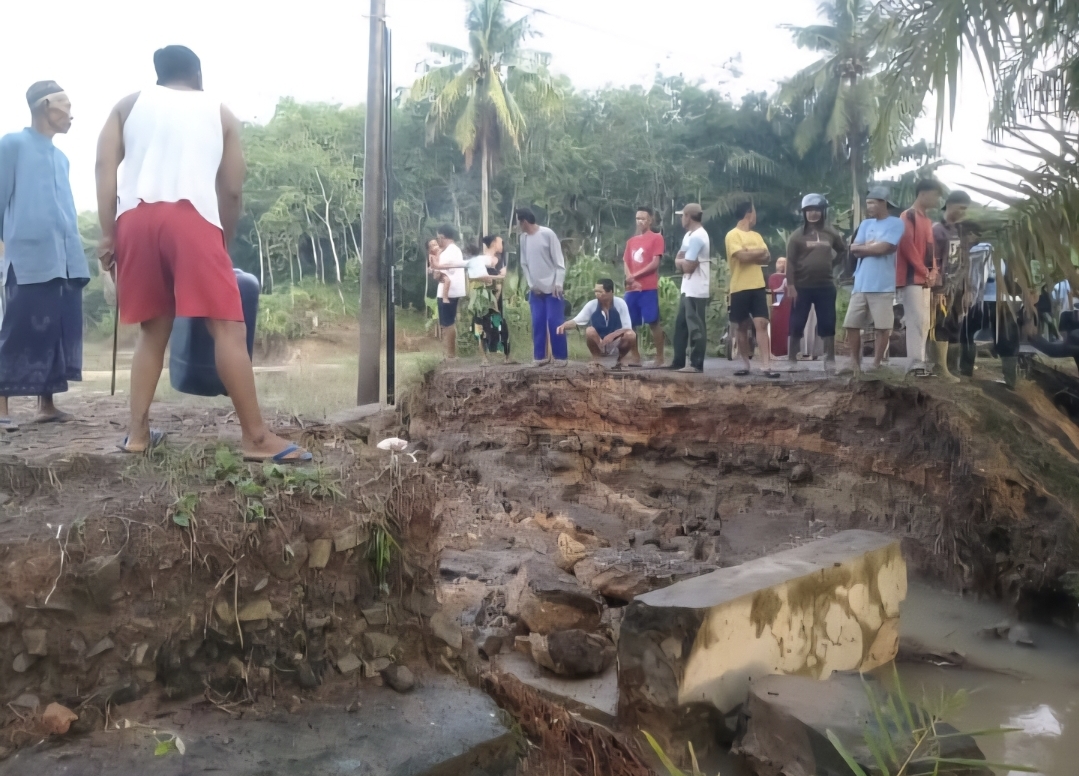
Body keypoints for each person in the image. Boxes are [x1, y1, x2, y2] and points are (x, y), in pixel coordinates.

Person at [96, 45, 310, 461]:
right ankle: (256, 438)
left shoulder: (126, 106)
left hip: (135, 219)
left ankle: (137, 435)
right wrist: (222, 241)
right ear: (196, 73)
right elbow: (231, 189)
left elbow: (105, 168)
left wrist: (110, 234)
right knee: (227, 329)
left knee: (153, 331)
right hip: (192, 218)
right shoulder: (219, 111)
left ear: (158, 75)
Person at [0, 82, 90, 431]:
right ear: (46, 104)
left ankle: (46, 405)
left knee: (55, 329)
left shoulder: (61, 157)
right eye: (66, 105)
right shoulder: (12, 145)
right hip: (27, 257)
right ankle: (2, 405)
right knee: (18, 329)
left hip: (64, 257)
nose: (71, 113)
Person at [842, 187, 905, 374]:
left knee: (882, 327)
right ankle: (855, 363)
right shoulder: (865, 224)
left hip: (882, 284)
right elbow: (853, 248)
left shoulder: (896, 223)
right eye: (868, 203)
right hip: (860, 282)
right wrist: (872, 247)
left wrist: (866, 247)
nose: (869, 206)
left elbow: (887, 247)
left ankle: (877, 364)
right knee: (851, 324)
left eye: (872, 203)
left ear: (883, 203)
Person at [785, 193, 847, 373]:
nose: (813, 214)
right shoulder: (796, 236)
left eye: (816, 210)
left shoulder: (831, 232)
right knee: (797, 322)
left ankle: (830, 359)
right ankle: (792, 360)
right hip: (801, 286)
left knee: (828, 322)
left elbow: (842, 251)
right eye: (809, 211)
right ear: (804, 213)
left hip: (825, 285)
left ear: (823, 212)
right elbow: (790, 261)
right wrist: (790, 285)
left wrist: (831, 264)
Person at [725, 201, 778, 378]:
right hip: (739, 286)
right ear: (749, 214)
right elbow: (741, 256)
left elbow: (767, 256)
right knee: (742, 326)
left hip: (757, 286)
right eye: (754, 212)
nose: (756, 215)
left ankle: (766, 365)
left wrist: (750, 252)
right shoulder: (732, 235)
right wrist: (756, 253)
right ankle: (745, 364)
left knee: (761, 323)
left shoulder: (757, 236)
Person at [896, 179, 942, 376]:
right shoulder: (908, 216)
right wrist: (925, 271)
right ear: (923, 193)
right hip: (910, 277)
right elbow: (907, 247)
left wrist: (934, 272)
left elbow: (931, 251)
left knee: (925, 321)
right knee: (915, 320)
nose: (936, 200)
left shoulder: (927, 220)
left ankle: (919, 362)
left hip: (924, 278)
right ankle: (915, 363)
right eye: (935, 195)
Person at [930, 189, 975, 382]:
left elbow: (965, 262)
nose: (963, 212)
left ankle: (953, 368)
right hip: (943, 286)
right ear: (949, 205)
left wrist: (967, 289)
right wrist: (937, 288)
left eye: (966, 209)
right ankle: (940, 367)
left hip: (958, 286)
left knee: (956, 325)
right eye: (961, 208)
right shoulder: (937, 230)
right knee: (940, 324)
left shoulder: (961, 231)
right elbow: (933, 260)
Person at [517, 208, 567, 366]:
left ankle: (560, 357)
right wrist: (532, 285)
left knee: (555, 321)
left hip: (553, 287)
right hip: (536, 289)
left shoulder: (547, 234)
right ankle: (540, 357)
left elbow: (559, 262)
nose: (518, 226)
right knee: (537, 322)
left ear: (524, 221)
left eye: (518, 222)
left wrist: (558, 283)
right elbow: (524, 264)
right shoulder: (523, 238)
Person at [557, 278, 639, 366]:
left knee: (631, 335)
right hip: (599, 341)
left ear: (610, 292)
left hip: (617, 341)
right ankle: (596, 357)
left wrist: (612, 335)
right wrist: (563, 326)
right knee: (589, 330)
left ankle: (621, 358)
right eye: (596, 291)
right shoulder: (591, 304)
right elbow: (577, 321)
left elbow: (627, 327)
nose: (597, 294)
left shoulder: (620, 304)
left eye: (600, 292)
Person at [669, 203, 711, 373]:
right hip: (687, 287)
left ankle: (696, 363)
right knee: (681, 325)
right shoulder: (688, 235)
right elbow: (680, 258)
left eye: (682, 215)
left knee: (696, 327)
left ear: (688, 216)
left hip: (697, 288)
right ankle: (678, 360)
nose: (681, 219)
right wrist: (681, 262)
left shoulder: (698, 237)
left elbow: (688, 267)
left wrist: (681, 262)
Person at [623, 206, 665, 366]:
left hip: (648, 287)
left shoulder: (656, 238)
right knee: (630, 323)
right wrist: (629, 277)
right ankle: (635, 357)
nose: (640, 221)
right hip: (631, 289)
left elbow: (655, 263)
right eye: (637, 218)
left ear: (650, 220)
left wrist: (635, 276)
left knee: (653, 322)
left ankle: (660, 357)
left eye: (643, 218)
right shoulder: (631, 241)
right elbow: (626, 261)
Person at [427, 224, 468, 359]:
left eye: (438, 238)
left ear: (442, 237)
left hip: (449, 292)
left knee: (447, 323)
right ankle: (449, 353)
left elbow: (439, 274)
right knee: (447, 322)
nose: (437, 241)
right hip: (450, 290)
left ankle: (451, 354)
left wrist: (436, 272)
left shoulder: (450, 252)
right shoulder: (452, 250)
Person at [471, 235, 512, 364]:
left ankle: (506, 357)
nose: (502, 245)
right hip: (483, 300)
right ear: (494, 243)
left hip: (495, 300)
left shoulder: (499, 260)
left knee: (500, 328)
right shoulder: (482, 260)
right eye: (500, 242)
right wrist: (499, 277)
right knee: (481, 327)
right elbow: (478, 278)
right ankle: (484, 358)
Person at [768, 257, 791, 358]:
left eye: (784, 262)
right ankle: (776, 350)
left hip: (789, 305)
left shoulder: (791, 277)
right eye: (779, 262)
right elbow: (775, 290)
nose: (781, 264)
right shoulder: (773, 276)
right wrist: (782, 286)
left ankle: (789, 349)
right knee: (777, 326)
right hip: (778, 306)